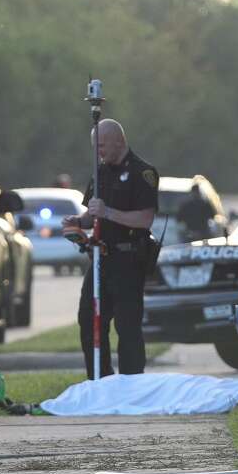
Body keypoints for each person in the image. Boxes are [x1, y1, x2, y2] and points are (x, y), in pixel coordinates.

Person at [63, 119, 158, 379]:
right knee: (89, 320)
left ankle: (131, 382)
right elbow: (92, 214)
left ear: (119, 141)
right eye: (95, 147)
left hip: (128, 259)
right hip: (100, 258)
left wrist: (108, 212)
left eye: (102, 145)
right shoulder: (100, 171)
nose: (98, 152)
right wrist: (77, 223)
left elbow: (145, 218)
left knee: (127, 326)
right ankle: (100, 379)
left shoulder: (143, 173)